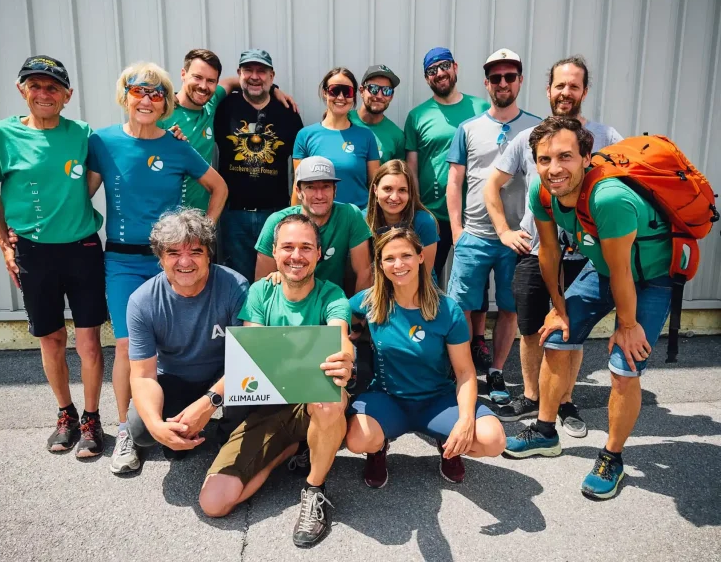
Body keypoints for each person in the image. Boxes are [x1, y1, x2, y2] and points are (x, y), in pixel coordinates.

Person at [504, 117, 673, 501]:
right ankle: (545, 433)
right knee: (557, 336)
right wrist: (559, 307)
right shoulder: (542, 191)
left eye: (565, 157)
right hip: (606, 269)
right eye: (544, 159)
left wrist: (626, 324)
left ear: (586, 157)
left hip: (648, 277)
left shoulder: (607, 197)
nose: (554, 168)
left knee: (624, 365)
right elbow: (547, 252)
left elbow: (623, 273)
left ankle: (612, 457)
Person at [86, 61, 228, 474]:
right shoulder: (102, 141)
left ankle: (186, 407)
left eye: (156, 94)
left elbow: (218, 187)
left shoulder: (177, 145)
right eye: (138, 91)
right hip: (122, 260)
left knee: (180, 339)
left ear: (166, 102)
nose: (146, 100)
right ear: (124, 95)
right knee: (129, 347)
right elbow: (82, 195)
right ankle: (128, 430)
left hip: (173, 259)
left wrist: (204, 235)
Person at [484, 55, 623, 434]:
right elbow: (489, 186)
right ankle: (531, 396)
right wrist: (504, 230)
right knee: (530, 328)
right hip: (535, 248)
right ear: (548, 90)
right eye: (559, 86)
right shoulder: (527, 136)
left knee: (568, 330)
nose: (566, 93)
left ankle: (563, 400)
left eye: (573, 86)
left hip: (585, 252)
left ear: (584, 91)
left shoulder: (606, 137)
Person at [0, 55, 106, 458]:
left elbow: (98, 171)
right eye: (35, 86)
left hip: (82, 248)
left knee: (88, 341)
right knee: (51, 338)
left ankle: (91, 419)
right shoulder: (2, 135)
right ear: (22, 91)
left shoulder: (82, 133)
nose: (44, 94)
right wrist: (3, 241)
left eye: (53, 87)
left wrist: (71, 204)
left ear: (68, 95)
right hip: (32, 252)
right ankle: (64, 414)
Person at [200, 213, 354, 548]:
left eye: (305, 247)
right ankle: (287, 450)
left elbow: (339, 337)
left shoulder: (332, 295)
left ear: (317, 253)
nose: (296, 255)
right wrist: (211, 399)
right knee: (214, 503)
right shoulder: (259, 292)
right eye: (287, 247)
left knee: (329, 400)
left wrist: (346, 357)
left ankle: (314, 489)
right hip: (268, 407)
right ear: (274, 250)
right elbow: (250, 359)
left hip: (313, 403)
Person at [345, 228, 505, 487]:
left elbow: (465, 372)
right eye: (389, 258)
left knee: (493, 439)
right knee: (357, 440)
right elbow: (334, 312)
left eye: (406, 255)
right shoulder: (371, 302)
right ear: (381, 264)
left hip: (437, 400)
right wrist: (349, 333)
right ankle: (377, 448)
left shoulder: (447, 309)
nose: (398, 265)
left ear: (421, 257)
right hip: (388, 398)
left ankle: (449, 444)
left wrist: (465, 421)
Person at [446, 49, 541, 403]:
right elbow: (454, 182)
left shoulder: (537, 129)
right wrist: (457, 232)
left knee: (509, 308)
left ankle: (497, 371)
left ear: (519, 80)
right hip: (474, 234)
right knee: (461, 306)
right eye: (496, 78)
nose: (503, 83)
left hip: (519, 237)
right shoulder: (468, 129)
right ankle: (461, 370)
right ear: (486, 83)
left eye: (510, 77)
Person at [126, 209, 248, 469]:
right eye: (173, 253)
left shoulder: (235, 287)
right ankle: (177, 429)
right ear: (160, 257)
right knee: (141, 429)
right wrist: (157, 426)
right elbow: (143, 375)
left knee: (249, 393)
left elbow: (246, 361)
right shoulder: (142, 301)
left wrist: (209, 402)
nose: (185, 262)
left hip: (225, 376)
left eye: (195, 252)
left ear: (208, 255)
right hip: (175, 379)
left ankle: (226, 434)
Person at [404, 46, 491, 368]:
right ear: (426, 78)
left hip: (477, 213)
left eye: (443, 67)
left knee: (475, 279)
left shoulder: (481, 107)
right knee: (427, 277)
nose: (439, 74)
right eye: (431, 71)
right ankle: (432, 335)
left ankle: (479, 339)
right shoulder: (418, 116)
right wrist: (416, 208)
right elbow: (412, 166)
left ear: (455, 67)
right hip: (432, 214)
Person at [160, 48, 298, 212]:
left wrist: (272, 88)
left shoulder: (211, 105)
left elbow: (234, 82)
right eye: (197, 77)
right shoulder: (163, 112)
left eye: (211, 80)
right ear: (183, 74)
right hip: (166, 215)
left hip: (202, 216)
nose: (203, 86)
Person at [214, 49, 304, 281]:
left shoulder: (287, 112)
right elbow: (215, 87)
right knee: (238, 280)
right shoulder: (223, 108)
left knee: (277, 279)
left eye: (261, 71)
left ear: (271, 76)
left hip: (275, 212)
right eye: (248, 70)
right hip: (234, 214)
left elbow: (299, 167)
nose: (255, 76)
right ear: (239, 74)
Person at [255, 156, 372, 294]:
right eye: (310, 187)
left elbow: (364, 272)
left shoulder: (350, 215)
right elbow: (261, 284)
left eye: (326, 187)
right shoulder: (277, 222)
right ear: (298, 191)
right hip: (288, 304)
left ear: (335, 190)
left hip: (331, 303)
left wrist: (356, 314)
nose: (319, 195)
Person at [292, 67, 380, 209]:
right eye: (335, 90)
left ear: (354, 97)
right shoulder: (305, 135)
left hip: (357, 221)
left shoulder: (366, 136)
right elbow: (298, 186)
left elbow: (375, 186)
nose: (340, 97)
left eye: (347, 92)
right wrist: (294, 219)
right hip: (318, 221)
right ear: (325, 92)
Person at [364, 159, 438, 278]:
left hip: (418, 288)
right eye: (388, 189)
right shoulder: (363, 221)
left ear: (410, 193)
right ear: (375, 190)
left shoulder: (424, 222)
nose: (394, 197)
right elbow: (363, 272)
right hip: (376, 288)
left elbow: (425, 274)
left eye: (402, 190)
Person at [348, 65, 405, 164]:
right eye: (373, 89)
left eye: (386, 90)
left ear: (391, 96)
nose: (379, 95)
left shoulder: (397, 136)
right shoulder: (344, 120)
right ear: (362, 91)